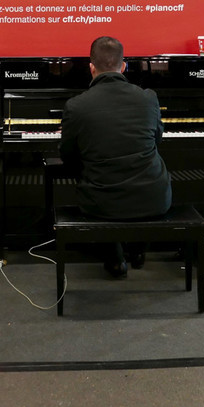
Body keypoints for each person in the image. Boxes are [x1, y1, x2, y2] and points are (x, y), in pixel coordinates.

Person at [59, 36, 172, 278]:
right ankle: (138, 249)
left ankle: (115, 258)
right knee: (144, 172)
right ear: (124, 67)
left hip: (100, 203)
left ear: (91, 68)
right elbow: (157, 140)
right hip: (153, 198)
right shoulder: (148, 97)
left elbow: (67, 156)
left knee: (95, 178)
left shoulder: (76, 106)